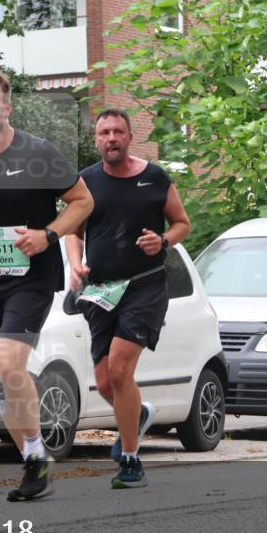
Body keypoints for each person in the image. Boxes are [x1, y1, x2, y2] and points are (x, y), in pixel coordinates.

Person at [0, 69, 94, 501]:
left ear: (7, 108)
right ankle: (34, 460)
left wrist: (48, 235)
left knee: (8, 364)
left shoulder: (39, 153)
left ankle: (36, 455)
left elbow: (83, 201)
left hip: (33, 278)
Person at [65, 108, 191, 489]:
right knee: (105, 382)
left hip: (146, 285)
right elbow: (73, 231)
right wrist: (75, 265)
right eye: (104, 133)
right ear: (96, 138)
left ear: (129, 136)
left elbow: (182, 222)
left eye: (118, 131)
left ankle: (131, 460)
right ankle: (136, 417)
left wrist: (164, 241)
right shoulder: (84, 182)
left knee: (121, 370)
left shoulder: (154, 178)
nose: (111, 139)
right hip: (101, 290)